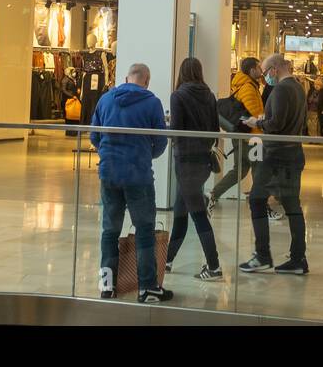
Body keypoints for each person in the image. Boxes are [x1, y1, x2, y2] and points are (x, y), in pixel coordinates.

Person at [90, 63, 172, 303]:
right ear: (146, 81)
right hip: (138, 175)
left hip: (109, 173)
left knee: (109, 231)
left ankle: (107, 285)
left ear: (126, 78)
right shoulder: (152, 103)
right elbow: (160, 141)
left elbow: (94, 135)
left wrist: (107, 153)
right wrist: (146, 154)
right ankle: (147, 288)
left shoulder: (106, 99)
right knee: (144, 230)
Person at [238, 54, 308, 275]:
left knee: (257, 200)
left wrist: (256, 122)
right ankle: (298, 258)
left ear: (275, 70)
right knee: (292, 206)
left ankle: (262, 255)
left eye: (266, 71)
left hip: (276, 155)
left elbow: (275, 123)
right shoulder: (297, 88)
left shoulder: (280, 90)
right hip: (293, 153)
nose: (264, 76)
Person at [165, 58, 223, 281]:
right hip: (202, 161)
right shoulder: (209, 95)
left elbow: (177, 131)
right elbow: (214, 129)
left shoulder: (178, 95)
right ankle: (167, 260)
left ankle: (215, 266)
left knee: (198, 215)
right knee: (181, 212)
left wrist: (167, 128)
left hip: (185, 161)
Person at [208, 56, 264, 214]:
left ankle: (213, 194)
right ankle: (259, 205)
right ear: (252, 70)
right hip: (253, 138)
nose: (261, 71)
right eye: (259, 68)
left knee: (240, 170)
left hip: (243, 136)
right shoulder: (248, 88)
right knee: (258, 170)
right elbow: (256, 114)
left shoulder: (246, 84)